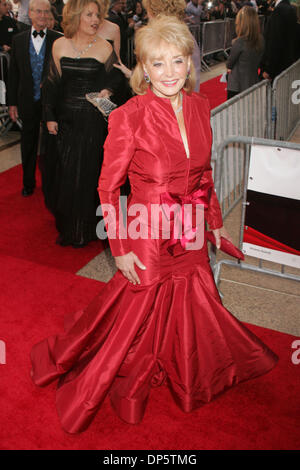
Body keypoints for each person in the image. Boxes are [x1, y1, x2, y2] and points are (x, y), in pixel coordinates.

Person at [30, 15, 278, 434]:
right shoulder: (130, 115)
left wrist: (213, 222)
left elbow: (204, 175)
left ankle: (186, 366)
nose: (168, 73)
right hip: (146, 232)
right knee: (137, 307)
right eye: (157, 63)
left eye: (177, 61)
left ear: (189, 63)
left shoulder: (201, 107)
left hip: (191, 228)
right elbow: (107, 188)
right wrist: (120, 246)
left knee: (195, 300)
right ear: (143, 68)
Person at [40, 0, 127, 247]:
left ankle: (88, 228)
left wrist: (108, 89)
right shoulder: (59, 45)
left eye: (97, 15)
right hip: (65, 121)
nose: (95, 20)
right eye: (89, 14)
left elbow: (118, 77)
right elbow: (51, 84)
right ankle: (70, 227)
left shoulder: (104, 47)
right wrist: (49, 116)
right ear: (76, 16)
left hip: (92, 122)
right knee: (65, 173)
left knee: (89, 174)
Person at [7, 0, 61, 197]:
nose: (43, 16)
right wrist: (11, 103)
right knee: (28, 142)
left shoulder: (58, 39)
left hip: (51, 102)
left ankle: (51, 183)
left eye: (46, 12)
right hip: (27, 100)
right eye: (39, 11)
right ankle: (28, 182)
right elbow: (13, 75)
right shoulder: (18, 40)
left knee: (51, 144)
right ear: (30, 13)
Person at [142, 0, 201, 91]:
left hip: (173, 96)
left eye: (148, 12)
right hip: (186, 93)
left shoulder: (166, 37)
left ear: (155, 12)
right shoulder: (182, 33)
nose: (147, 16)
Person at [226, 6, 264, 99]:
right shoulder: (261, 40)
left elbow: (229, 64)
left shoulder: (239, 41)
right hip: (253, 82)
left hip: (237, 86)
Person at [260, 0, 298, 80]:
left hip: (276, 69)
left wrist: (269, 69)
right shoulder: (291, 8)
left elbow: (275, 41)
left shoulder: (279, 10)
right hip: (286, 66)